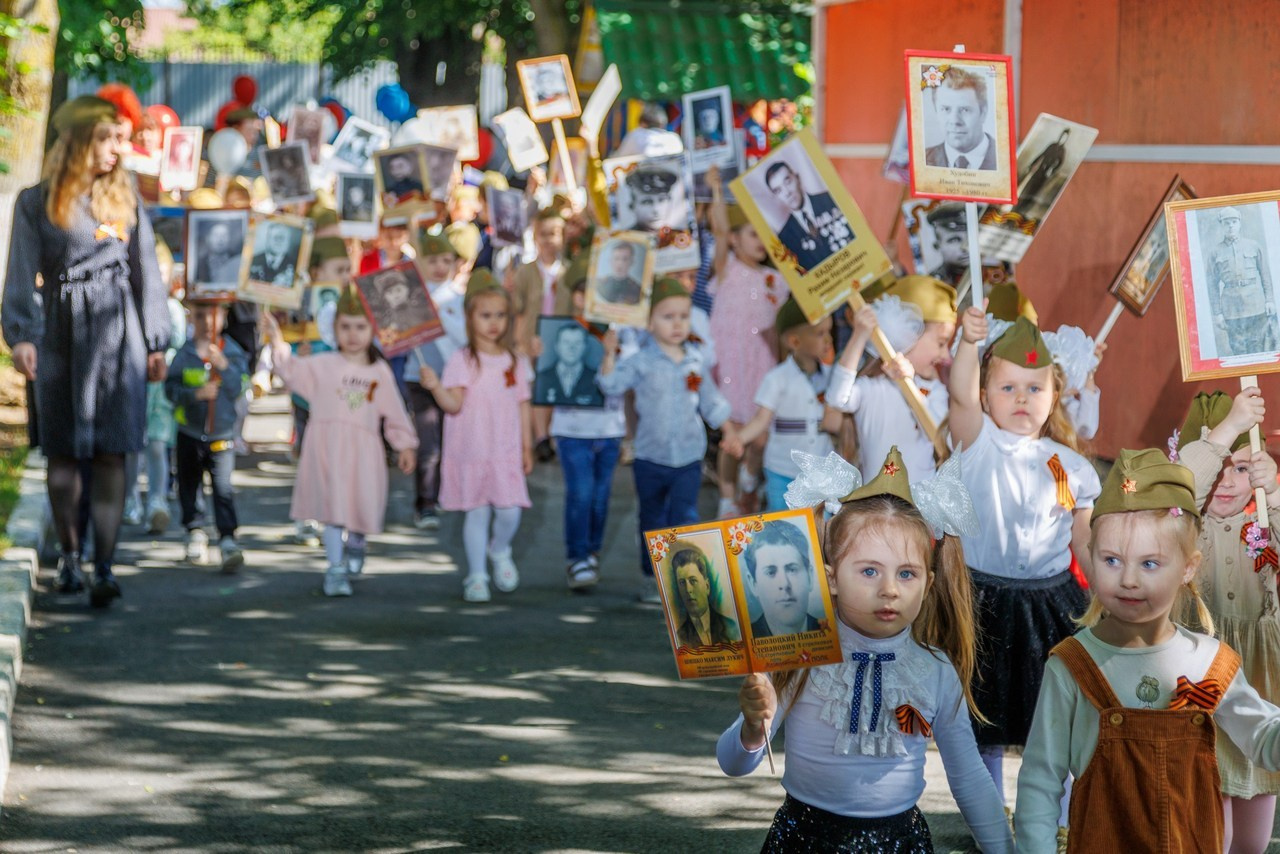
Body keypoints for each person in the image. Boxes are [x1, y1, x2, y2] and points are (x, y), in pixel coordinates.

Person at [720, 447, 1012, 853]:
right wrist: (753, 729)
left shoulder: (936, 670)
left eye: (906, 574)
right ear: (831, 578)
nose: (889, 589)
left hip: (900, 843)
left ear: (928, 584)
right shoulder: (799, 655)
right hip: (803, 840)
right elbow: (733, 764)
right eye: (869, 571)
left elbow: (969, 777)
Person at [1016, 449, 1280, 852]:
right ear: (1090, 556)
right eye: (1112, 560)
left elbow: (1262, 736)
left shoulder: (1210, 661)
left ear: (1188, 568)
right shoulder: (1071, 665)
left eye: (1150, 564)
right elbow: (1040, 779)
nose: (1129, 580)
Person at [1, 95, 171, 607]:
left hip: (119, 336)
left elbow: (146, 271)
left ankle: (105, 567)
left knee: (112, 451)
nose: (118, 148)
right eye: (107, 138)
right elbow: (20, 274)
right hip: (59, 334)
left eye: (121, 138)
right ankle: (70, 559)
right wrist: (22, 335)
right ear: (77, 141)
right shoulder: (36, 201)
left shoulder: (125, 196)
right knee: (64, 450)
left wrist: (156, 339)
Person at [948, 310, 1099, 809]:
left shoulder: (1071, 465)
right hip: (982, 600)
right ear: (985, 395)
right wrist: (967, 344)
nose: (1021, 398)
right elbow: (958, 397)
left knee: (1055, 717)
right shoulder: (976, 443)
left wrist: (1107, 594)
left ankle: (1060, 819)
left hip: (1050, 603)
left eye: (1035, 388)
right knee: (983, 717)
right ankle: (989, 817)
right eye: (1008, 387)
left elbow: (1083, 540)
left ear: (1055, 395)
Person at [1174, 389, 1280, 852]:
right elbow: (1184, 484)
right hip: (1198, 678)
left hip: (1258, 677)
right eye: (1218, 464)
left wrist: (1273, 490)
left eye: (1241, 467)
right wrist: (1230, 427)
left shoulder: (1264, 524)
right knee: (1210, 832)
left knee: (1253, 838)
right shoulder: (1182, 524)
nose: (1227, 480)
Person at [265, 287, 417, 597]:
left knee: (359, 504)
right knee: (333, 510)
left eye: (360, 327)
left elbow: (394, 410)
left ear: (372, 329)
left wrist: (404, 444)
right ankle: (335, 569)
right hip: (328, 450)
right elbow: (291, 371)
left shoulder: (378, 371)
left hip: (363, 453)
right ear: (334, 329)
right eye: (345, 326)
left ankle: (357, 541)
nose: (352, 334)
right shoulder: (323, 364)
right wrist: (277, 340)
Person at [597, 278, 739, 603]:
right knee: (652, 519)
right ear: (649, 323)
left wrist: (729, 430)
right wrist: (608, 354)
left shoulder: (695, 360)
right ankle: (651, 576)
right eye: (668, 317)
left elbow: (711, 401)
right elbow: (611, 385)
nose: (677, 324)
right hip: (650, 456)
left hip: (688, 456)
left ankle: (684, 580)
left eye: (683, 316)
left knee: (685, 517)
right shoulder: (641, 361)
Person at [420, 270, 533, 603]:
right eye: (485, 315)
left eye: (500, 315)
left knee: (510, 511)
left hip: (505, 451)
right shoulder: (462, 359)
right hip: (472, 450)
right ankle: (477, 575)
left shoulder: (515, 360)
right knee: (476, 512)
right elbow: (453, 404)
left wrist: (528, 445)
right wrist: (436, 387)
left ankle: (499, 549)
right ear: (470, 317)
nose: (493, 322)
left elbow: (523, 404)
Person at [706, 166, 784, 516]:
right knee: (732, 437)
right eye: (752, 234)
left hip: (761, 364)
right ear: (735, 239)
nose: (759, 242)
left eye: (764, 235)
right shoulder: (726, 268)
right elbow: (720, 229)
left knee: (759, 435)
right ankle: (727, 499)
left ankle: (750, 483)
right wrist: (716, 190)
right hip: (729, 364)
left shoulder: (775, 279)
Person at [827, 275, 957, 476]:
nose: (946, 356)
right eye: (941, 343)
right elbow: (838, 399)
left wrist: (909, 386)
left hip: (921, 496)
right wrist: (859, 336)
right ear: (909, 333)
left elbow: (941, 439)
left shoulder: (934, 390)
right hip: (878, 496)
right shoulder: (871, 388)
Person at [551, 262, 625, 592]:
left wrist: (614, 352)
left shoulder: (622, 333)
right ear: (578, 297)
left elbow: (628, 378)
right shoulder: (560, 331)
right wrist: (539, 353)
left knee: (600, 497)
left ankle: (591, 551)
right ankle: (577, 556)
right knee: (581, 493)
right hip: (572, 429)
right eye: (589, 293)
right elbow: (545, 375)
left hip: (609, 429)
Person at [723, 299, 834, 513]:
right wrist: (740, 438)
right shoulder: (777, 379)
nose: (828, 339)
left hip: (821, 471)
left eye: (828, 331)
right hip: (783, 470)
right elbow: (761, 419)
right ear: (795, 341)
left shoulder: (831, 377)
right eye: (820, 334)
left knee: (822, 523)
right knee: (784, 523)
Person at [164, 300, 249, 572]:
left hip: (222, 434)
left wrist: (224, 365)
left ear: (224, 317)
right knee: (189, 484)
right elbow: (170, 390)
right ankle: (195, 531)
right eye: (200, 316)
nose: (208, 322)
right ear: (191, 318)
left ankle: (227, 538)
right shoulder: (184, 354)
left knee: (223, 487)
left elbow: (239, 388)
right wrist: (195, 395)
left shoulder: (232, 352)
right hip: (189, 433)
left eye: (214, 315)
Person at [402, 232, 468, 531]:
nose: (440, 267)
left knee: (452, 441)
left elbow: (465, 338)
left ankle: (446, 493)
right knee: (428, 443)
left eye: (445, 260)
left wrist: (441, 315)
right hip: (420, 377)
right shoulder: (411, 297)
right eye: (432, 261)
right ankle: (426, 502)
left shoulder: (459, 298)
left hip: (454, 381)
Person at [1207, 207, 1278, 356]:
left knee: (1258, 347)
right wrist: (1217, 313)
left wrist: (1269, 300)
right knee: (1238, 350)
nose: (1231, 226)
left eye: (1234, 222)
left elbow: (1265, 275)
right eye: (1227, 223)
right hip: (1232, 309)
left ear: (1239, 223)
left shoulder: (1254, 246)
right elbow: (1212, 285)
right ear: (1221, 226)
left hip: (1256, 305)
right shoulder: (1215, 252)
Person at [765, 160, 853, 275]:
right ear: (776, 197)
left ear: (797, 178)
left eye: (788, 181)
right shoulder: (785, 238)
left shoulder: (831, 200)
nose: (787, 193)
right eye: (778, 190)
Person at [740, 520, 819, 637]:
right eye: (771, 572)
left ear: (809, 577)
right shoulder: (743, 638)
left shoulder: (829, 630)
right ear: (753, 584)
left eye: (792, 570)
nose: (784, 583)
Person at [924, 66, 997, 171]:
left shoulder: (1005, 159)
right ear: (936, 112)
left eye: (965, 110)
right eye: (946, 109)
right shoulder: (922, 160)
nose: (955, 121)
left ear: (983, 113)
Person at [672, 544, 740, 647]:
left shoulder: (731, 628)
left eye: (693, 581)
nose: (688, 590)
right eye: (682, 583)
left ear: (707, 586)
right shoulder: (679, 637)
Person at [536, 323, 601, 406]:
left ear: (585, 347)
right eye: (566, 342)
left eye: (577, 343)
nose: (571, 348)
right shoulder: (541, 378)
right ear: (557, 346)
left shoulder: (598, 379)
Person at [1015, 128, 1070, 216]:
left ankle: (1024, 210)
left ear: (1066, 139)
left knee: (1035, 191)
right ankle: (1016, 207)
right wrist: (1031, 165)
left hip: (1046, 174)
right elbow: (1041, 155)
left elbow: (1060, 163)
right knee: (1028, 187)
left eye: (1065, 138)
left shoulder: (1062, 150)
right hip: (1039, 170)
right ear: (1061, 136)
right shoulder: (1052, 145)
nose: (1063, 138)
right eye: (1063, 136)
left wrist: (1052, 170)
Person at [613, 102, 684, 158]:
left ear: (643, 123)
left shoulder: (636, 134)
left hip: (647, 171)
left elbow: (620, 157)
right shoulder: (674, 137)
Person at [925, 204, 968, 285]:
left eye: (971, 238)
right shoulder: (931, 283)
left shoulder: (990, 274)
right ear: (937, 246)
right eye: (955, 240)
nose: (966, 247)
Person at [623, 168, 676, 233]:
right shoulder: (625, 237)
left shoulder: (679, 234)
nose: (656, 209)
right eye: (647, 202)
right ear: (632, 206)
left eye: (662, 200)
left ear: (670, 202)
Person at [195, 221, 242, 287]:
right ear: (208, 238)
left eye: (224, 235)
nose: (220, 240)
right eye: (216, 235)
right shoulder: (199, 263)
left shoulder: (238, 260)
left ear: (230, 238)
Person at [596, 241, 644, 305]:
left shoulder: (637, 289)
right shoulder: (599, 284)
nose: (620, 263)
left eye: (625, 259)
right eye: (616, 258)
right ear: (610, 260)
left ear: (631, 262)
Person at [250, 222, 297, 286]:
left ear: (288, 242)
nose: (279, 241)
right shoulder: (253, 261)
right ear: (267, 239)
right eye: (275, 237)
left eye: (282, 238)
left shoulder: (296, 266)